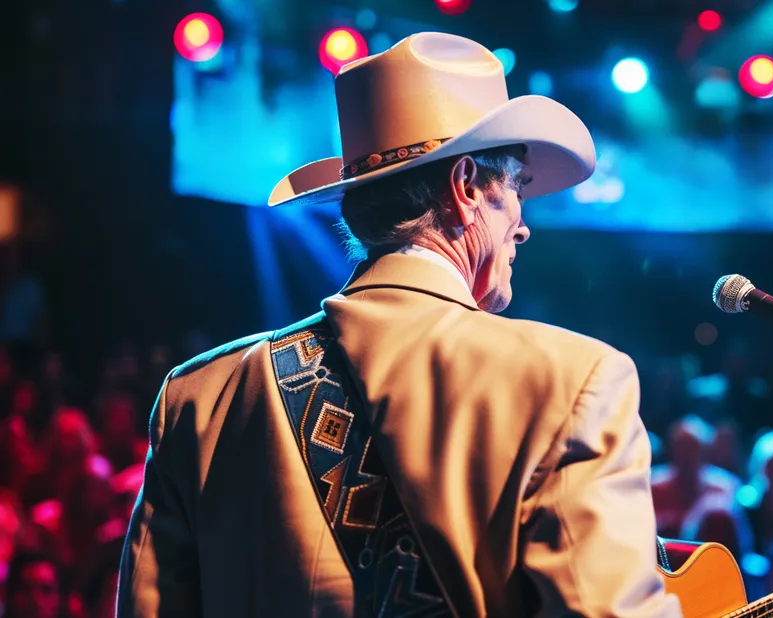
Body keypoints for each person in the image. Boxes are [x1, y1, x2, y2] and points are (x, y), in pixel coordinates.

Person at [117, 32, 682, 617]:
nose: (523, 224)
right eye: (516, 187)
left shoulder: (199, 398)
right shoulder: (577, 382)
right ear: (466, 188)